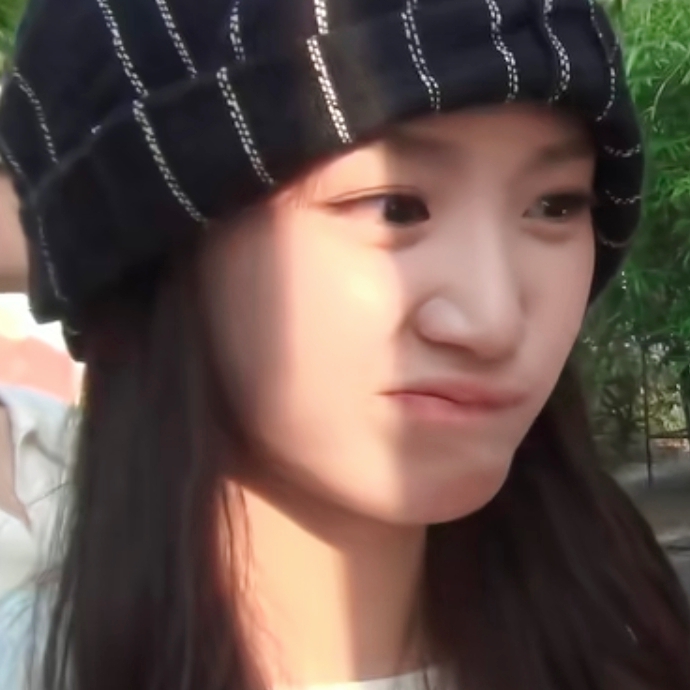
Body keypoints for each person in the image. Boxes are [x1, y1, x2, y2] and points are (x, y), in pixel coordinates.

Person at [0, 1, 688, 689]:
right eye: (396, 206)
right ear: (158, 252)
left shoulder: (639, 652)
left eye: (555, 205)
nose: (493, 319)